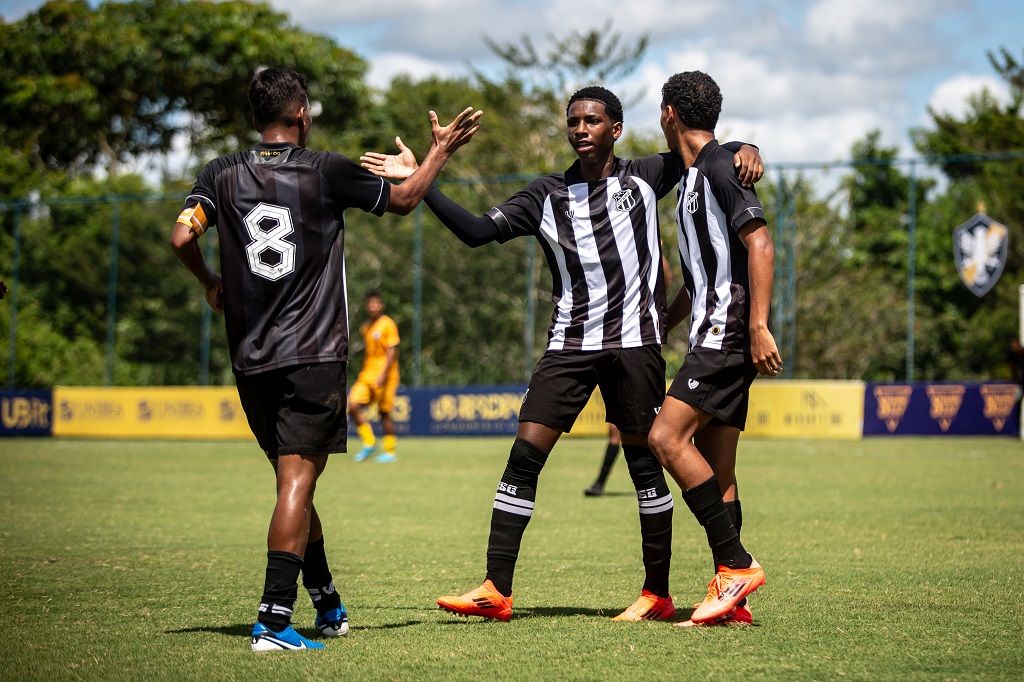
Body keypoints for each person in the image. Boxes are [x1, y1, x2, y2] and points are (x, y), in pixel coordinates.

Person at [362, 85, 762, 622]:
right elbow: (476, 231)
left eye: (592, 120)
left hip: (635, 345)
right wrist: (423, 177)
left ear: (614, 130)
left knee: (646, 465)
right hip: (569, 345)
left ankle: (657, 594)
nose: (580, 128)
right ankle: (495, 588)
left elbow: (701, 147)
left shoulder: (645, 175)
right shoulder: (544, 195)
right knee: (525, 451)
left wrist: (745, 147)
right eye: (573, 120)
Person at [170, 66, 480, 651]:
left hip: (250, 356)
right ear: (302, 115)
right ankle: (273, 621)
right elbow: (408, 199)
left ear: (255, 119)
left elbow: (182, 237)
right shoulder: (327, 169)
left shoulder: (220, 174)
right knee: (296, 483)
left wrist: (211, 282)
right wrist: (437, 153)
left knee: (295, 483)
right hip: (311, 352)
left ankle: (327, 602)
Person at [646, 70, 781, 628]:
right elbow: (697, 277)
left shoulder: (722, 165)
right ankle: (733, 603)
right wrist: (662, 320)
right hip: (709, 331)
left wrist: (758, 326)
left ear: (669, 113)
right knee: (719, 470)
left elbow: (761, 243)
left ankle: (736, 563)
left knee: (665, 437)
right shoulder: (697, 175)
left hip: (726, 335)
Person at [584, 254, 672, 497]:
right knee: (618, 428)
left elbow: (668, 277)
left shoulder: (647, 262)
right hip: (614, 349)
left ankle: (608, 484)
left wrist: (656, 251)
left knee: (636, 430)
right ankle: (605, 483)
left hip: (639, 352)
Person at [349, 290, 401, 463]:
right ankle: (370, 442)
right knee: (353, 404)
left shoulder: (388, 324)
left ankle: (390, 451)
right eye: (370, 304)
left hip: (386, 376)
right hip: (367, 375)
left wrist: (384, 374)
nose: (373, 307)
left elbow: (392, 350)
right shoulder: (366, 327)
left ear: (381, 305)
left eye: (376, 304)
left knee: (384, 412)